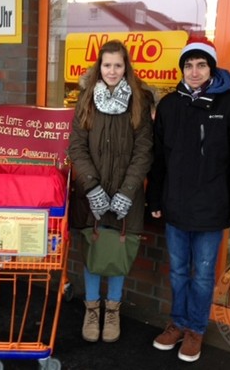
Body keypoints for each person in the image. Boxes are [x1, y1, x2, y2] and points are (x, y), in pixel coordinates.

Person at [148, 36, 230, 362]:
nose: (194, 71)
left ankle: (195, 328)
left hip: (213, 208)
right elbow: (159, 160)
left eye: (201, 65)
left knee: (204, 274)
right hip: (177, 206)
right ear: (181, 68)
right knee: (179, 271)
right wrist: (154, 200)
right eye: (188, 65)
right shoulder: (169, 106)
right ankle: (177, 324)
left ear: (211, 67)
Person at [68, 40, 153, 343]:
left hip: (126, 195)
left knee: (116, 252)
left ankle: (112, 311)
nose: (112, 70)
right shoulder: (86, 100)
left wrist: (128, 191)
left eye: (118, 65)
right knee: (94, 250)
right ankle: (92, 310)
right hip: (92, 193)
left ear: (125, 67)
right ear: (99, 67)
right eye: (107, 65)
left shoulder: (139, 101)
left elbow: (144, 150)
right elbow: (76, 147)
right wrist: (91, 187)